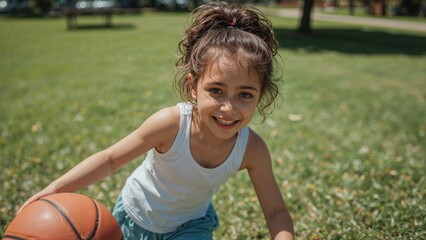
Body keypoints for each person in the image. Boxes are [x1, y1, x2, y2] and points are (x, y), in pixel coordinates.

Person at [18, 1, 294, 239]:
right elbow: (110, 159)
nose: (228, 107)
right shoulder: (171, 125)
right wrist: (53, 189)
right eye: (215, 90)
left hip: (191, 226)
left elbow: (275, 211)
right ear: (192, 86)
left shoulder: (251, 149)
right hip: (135, 218)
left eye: (244, 94)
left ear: (260, 97)